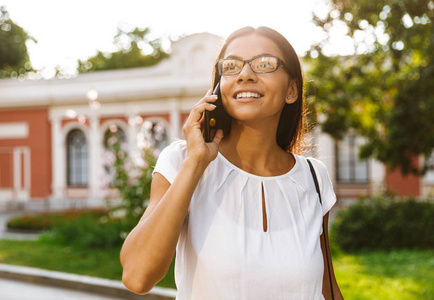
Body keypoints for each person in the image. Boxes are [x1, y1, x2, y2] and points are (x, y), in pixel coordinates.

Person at [120, 26, 344, 299]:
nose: (245, 74)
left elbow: (327, 288)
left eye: (264, 64)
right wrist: (195, 163)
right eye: (232, 66)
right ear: (218, 87)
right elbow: (137, 276)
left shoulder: (313, 177)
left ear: (292, 90)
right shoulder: (180, 161)